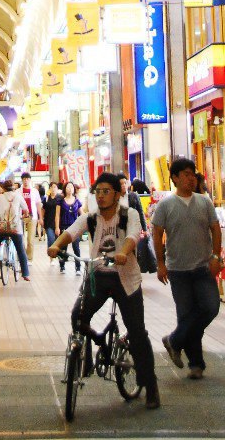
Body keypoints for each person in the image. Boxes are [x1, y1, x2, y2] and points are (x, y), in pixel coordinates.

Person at [49, 172, 160, 409]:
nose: (100, 196)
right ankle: (89, 353)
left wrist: (124, 251)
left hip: (126, 279)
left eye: (106, 191)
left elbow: (132, 235)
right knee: (77, 316)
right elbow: (72, 231)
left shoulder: (128, 214)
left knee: (137, 332)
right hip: (98, 276)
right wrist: (57, 245)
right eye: (97, 191)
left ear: (117, 194)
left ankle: (150, 385)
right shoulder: (91, 218)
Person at [152, 158, 222, 379]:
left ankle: (174, 340)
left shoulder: (204, 202)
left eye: (193, 174)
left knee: (210, 307)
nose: (190, 178)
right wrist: (160, 264)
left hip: (203, 267)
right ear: (174, 178)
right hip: (178, 270)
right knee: (187, 315)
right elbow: (157, 234)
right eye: (185, 174)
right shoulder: (165, 205)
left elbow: (216, 229)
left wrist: (216, 256)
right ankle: (196, 364)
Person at [0, 180, 30, 280]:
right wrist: (22, 216)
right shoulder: (18, 196)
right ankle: (25, 274)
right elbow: (26, 212)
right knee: (20, 249)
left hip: (1, 229)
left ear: (3, 188)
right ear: (13, 188)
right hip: (15, 229)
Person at [58, 181, 82, 273]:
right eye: (68, 187)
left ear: (74, 189)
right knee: (63, 247)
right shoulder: (61, 201)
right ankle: (62, 266)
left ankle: (78, 268)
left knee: (76, 248)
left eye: (71, 187)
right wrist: (57, 227)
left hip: (75, 227)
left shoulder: (77, 201)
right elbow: (57, 215)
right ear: (65, 189)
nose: (70, 189)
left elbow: (82, 214)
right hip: (64, 226)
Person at [19, 172, 41, 261]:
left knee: (30, 240)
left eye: (27, 179)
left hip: (32, 217)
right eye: (24, 179)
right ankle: (22, 257)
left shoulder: (35, 191)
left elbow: (38, 204)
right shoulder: (18, 192)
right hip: (20, 217)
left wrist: (40, 217)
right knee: (21, 238)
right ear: (22, 180)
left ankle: (29, 258)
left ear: (30, 180)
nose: (26, 181)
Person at [42, 182, 63, 257]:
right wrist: (41, 218)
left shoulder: (60, 198)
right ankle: (51, 256)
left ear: (57, 189)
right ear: (50, 188)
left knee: (58, 241)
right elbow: (43, 209)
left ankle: (58, 255)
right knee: (51, 239)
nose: (53, 189)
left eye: (55, 187)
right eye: (52, 187)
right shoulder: (46, 198)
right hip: (48, 222)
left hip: (58, 223)